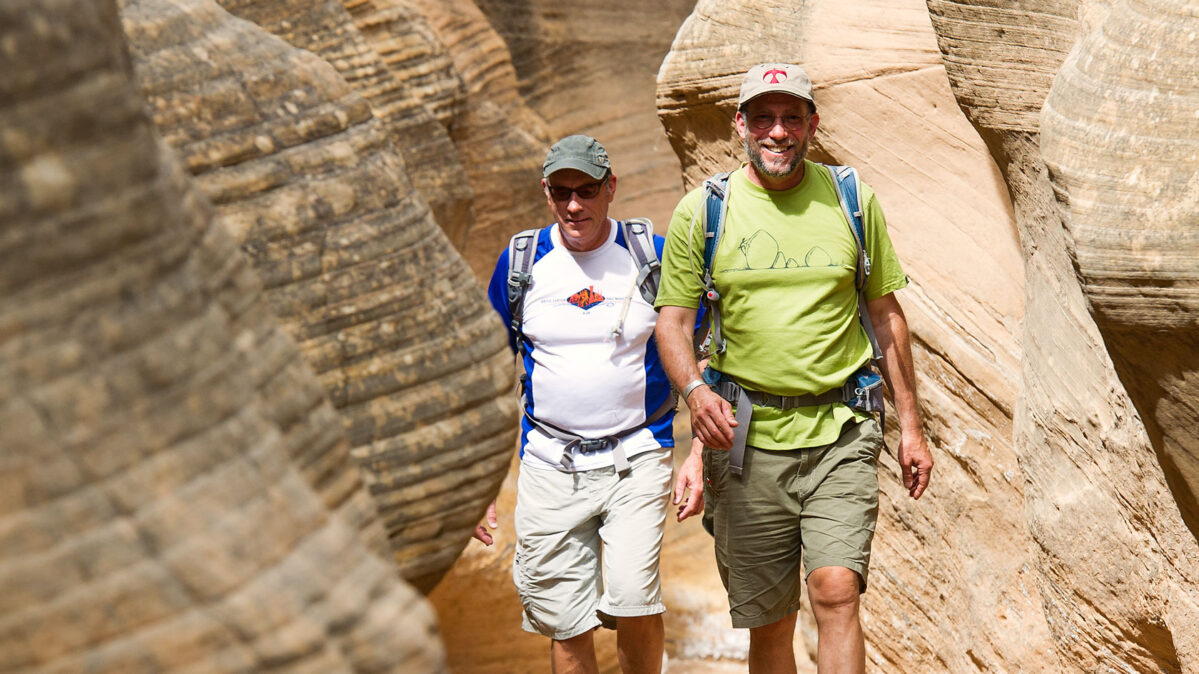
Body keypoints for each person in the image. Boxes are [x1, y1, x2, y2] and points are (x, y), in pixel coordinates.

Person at [653, 63, 934, 674]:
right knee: (771, 622)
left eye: (789, 118)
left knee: (836, 591)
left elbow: (886, 316)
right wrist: (697, 394)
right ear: (740, 125)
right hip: (747, 441)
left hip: (842, 428)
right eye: (763, 118)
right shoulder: (703, 212)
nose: (776, 132)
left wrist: (911, 426)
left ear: (812, 124)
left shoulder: (851, 199)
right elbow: (672, 325)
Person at [476, 135, 705, 674]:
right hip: (550, 462)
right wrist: (477, 485)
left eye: (587, 190)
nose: (574, 205)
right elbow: (485, 379)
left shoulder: (653, 254)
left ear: (611, 188)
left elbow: (703, 353)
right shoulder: (521, 261)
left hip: (638, 455)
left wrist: (696, 455)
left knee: (633, 597)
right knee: (564, 618)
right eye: (562, 192)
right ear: (546, 193)